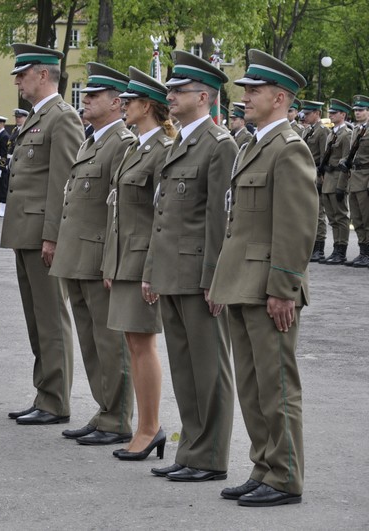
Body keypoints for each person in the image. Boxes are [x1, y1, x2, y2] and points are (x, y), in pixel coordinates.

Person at [209, 49, 316, 507]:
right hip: (241, 281)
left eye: (255, 90)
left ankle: (286, 476)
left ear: (280, 98)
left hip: (269, 287)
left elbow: (296, 226)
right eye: (246, 90)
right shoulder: (254, 145)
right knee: (252, 387)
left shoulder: (289, 148)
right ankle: (263, 468)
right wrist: (222, 281)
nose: (246, 97)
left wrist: (283, 289)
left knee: (276, 386)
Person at [146, 50, 236, 481]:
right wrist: (152, 270)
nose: (170, 96)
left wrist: (215, 278)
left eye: (179, 91)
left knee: (209, 369)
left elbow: (220, 220)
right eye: (170, 90)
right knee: (185, 368)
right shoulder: (180, 142)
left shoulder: (219, 145)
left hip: (199, 275)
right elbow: (163, 216)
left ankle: (211, 457)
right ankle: (191, 450)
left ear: (203, 97)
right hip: (172, 272)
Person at [50, 63, 135, 446]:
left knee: (110, 342)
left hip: (100, 257)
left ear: (117, 103)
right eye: (85, 95)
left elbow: (120, 209)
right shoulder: (90, 141)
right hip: (77, 256)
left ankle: (118, 417)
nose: (85, 100)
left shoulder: (122, 143)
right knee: (90, 340)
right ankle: (104, 410)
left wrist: (113, 261)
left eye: (94, 96)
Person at [2, 44, 84, 425]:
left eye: (22, 74)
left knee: (51, 318)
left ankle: (55, 400)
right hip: (25, 232)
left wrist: (54, 236)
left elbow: (64, 183)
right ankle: (44, 392)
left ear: (43, 74)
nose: (17, 81)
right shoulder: (38, 117)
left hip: (42, 236)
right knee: (37, 318)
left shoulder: (62, 118)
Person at [101, 67, 175, 460]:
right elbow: (119, 212)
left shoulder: (162, 150)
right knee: (133, 343)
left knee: (143, 344)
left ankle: (150, 428)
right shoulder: (136, 147)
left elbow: (163, 217)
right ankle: (146, 426)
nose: (124, 105)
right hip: (124, 260)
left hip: (143, 261)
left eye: (130, 101)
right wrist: (110, 263)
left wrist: (152, 270)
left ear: (147, 106)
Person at [318, 98, 352, 265]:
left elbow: (346, 161)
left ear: (343, 115)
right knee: (332, 217)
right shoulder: (332, 134)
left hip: (338, 178)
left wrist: (341, 186)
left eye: (334, 113)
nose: (330, 115)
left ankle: (341, 250)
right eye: (330, 112)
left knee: (341, 217)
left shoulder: (346, 135)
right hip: (328, 179)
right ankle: (335, 249)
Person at [342, 95, 369, 266]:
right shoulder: (356, 130)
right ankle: (363, 251)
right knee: (357, 219)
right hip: (354, 178)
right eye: (356, 110)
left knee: (367, 219)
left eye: (361, 110)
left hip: (366, 178)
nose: (357, 113)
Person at [301, 100, 328, 261]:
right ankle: (311, 247)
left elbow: (324, 155)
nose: (305, 116)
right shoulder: (308, 130)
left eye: (308, 113)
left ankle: (319, 248)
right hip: (306, 173)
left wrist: (321, 176)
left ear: (317, 113)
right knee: (307, 212)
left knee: (318, 213)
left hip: (316, 173)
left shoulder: (322, 131)